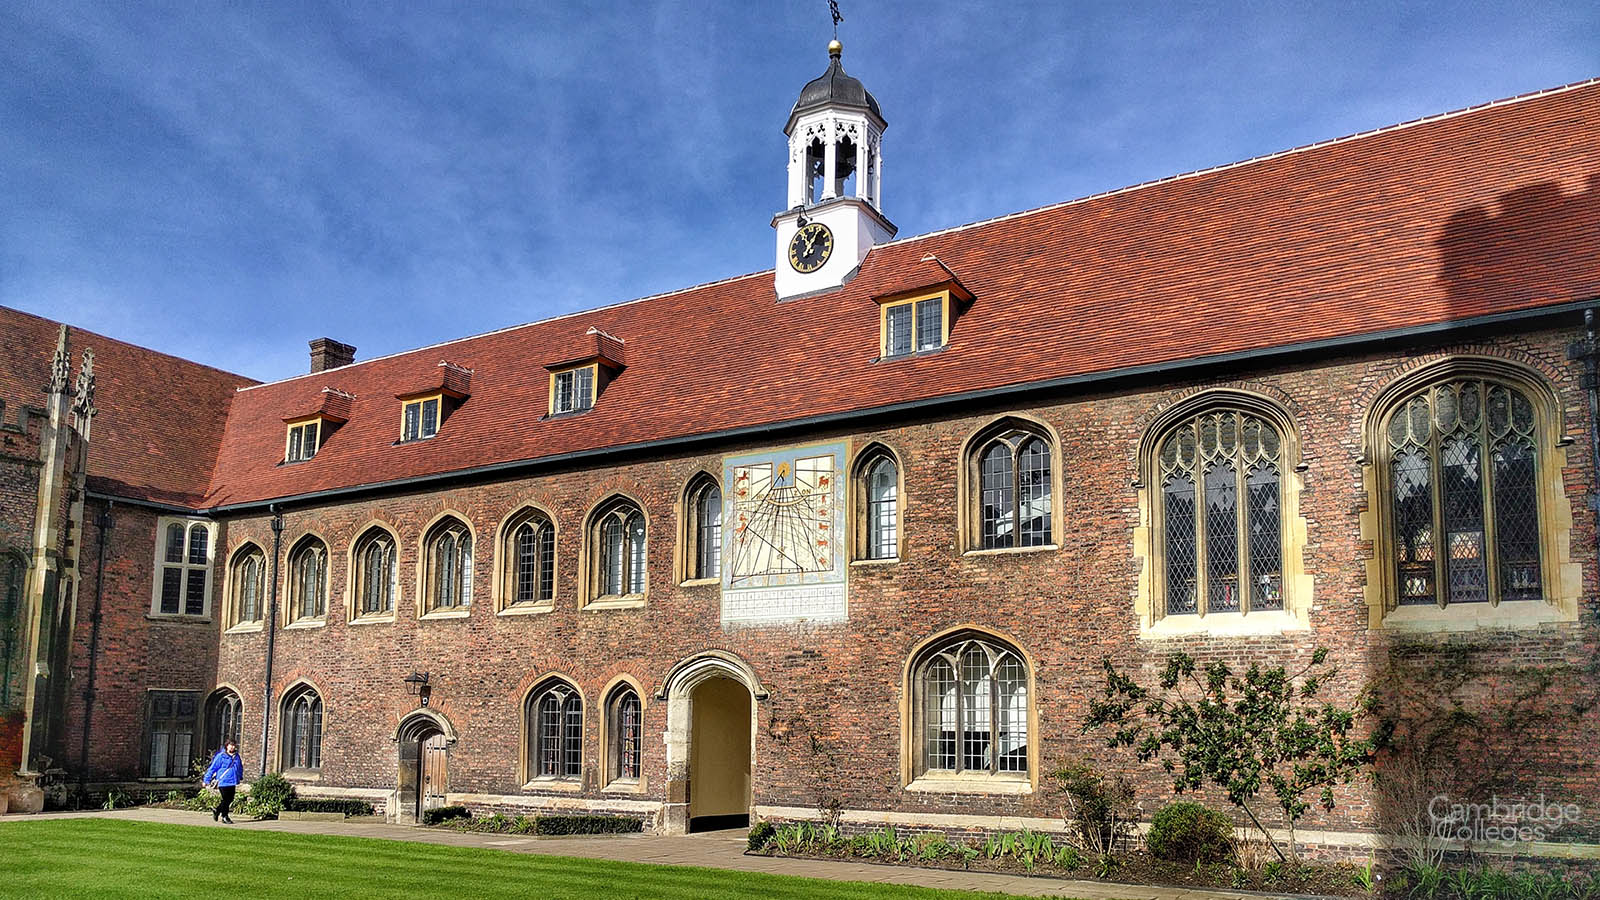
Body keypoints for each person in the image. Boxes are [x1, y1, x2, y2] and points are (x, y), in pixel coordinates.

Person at [203, 740, 244, 824]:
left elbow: (239, 767)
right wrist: (206, 780)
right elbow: (213, 768)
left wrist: (239, 776)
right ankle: (225, 816)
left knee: (230, 798)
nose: (232, 747)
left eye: (233, 745)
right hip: (223, 781)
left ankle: (217, 810)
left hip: (232, 781)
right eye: (230, 745)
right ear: (226, 746)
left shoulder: (236, 756)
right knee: (226, 799)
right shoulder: (221, 756)